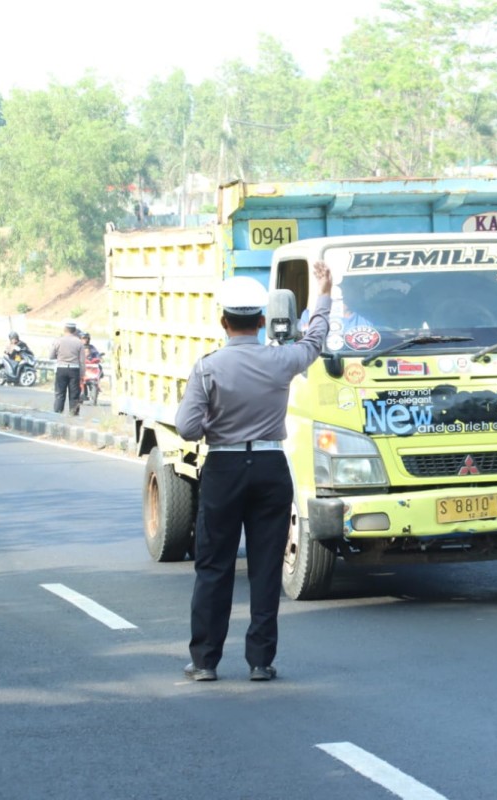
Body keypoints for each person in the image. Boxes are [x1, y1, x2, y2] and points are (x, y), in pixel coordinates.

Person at [175, 263, 332, 682]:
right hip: (269, 466)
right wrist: (323, 294)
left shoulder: (207, 368)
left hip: (224, 467)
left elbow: (188, 428)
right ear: (262, 321)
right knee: (265, 567)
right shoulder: (281, 360)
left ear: (223, 322)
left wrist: (217, 426)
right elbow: (315, 341)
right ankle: (260, 661)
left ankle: (205, 661)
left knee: (214, 565)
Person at [48, 321, 83, 415]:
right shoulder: (79, 342)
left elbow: (51, 356)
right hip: (74, 370)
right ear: (75, 330)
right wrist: (82, 375)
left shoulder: (58, 341)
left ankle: (57, 413)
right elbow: (82, 361)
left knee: (59, 393)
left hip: (61, 369)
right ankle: (74, 414)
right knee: (74, 395)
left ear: (64, 330)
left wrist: (60, 356)